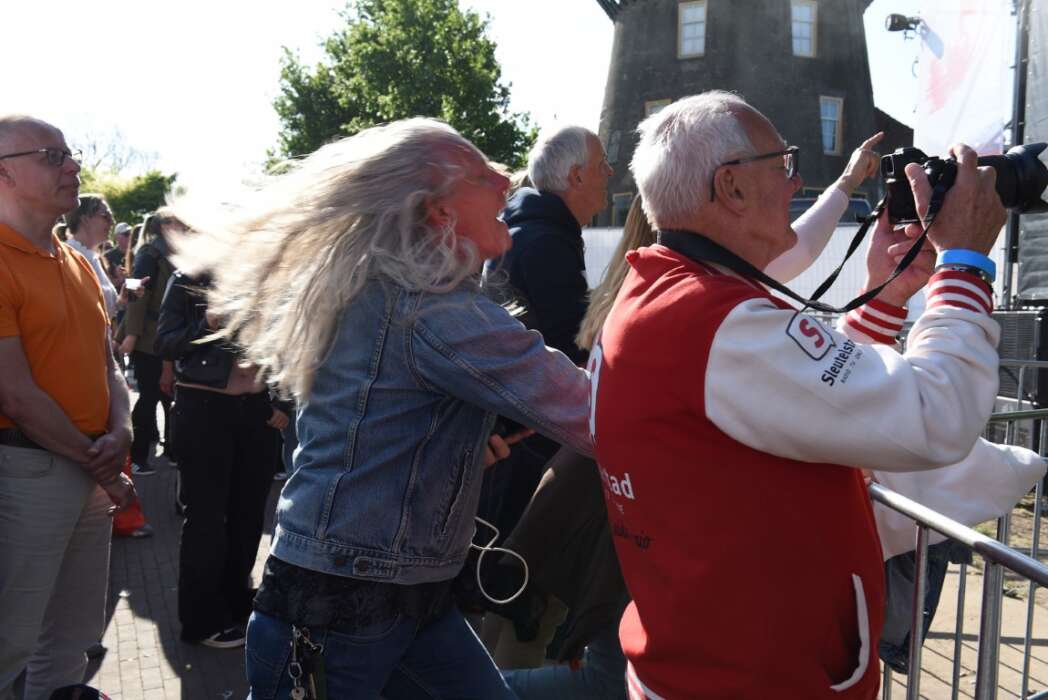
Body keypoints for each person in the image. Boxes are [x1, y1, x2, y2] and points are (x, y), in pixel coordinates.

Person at [590, 91, 1027, 699]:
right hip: (758, 681)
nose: (796, 182)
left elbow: (800, 391)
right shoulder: (711, 321)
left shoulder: (672, 295)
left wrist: (885, 296)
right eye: (784, 164)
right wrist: (966, 264)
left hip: (710, 662)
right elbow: (939, 415)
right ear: (732, 186)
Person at [169, 117, 591, 699]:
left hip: (386, 594)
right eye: (479, 173)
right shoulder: (433, 310)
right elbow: (597, 414)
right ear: (438, 214)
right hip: (346, 610)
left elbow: (369, 429)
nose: (504, 178)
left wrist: (455, 449)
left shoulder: (382, 292)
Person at [0, 114, 134, 699]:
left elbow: (108, 364)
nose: (74, 166)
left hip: (87, 466)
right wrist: (101, 461)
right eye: (51, 156)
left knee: (72, 639)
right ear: (3, 174)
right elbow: (15, 393)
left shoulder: (77, 260)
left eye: (69, 153)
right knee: (11, 641)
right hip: (28, 472)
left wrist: (122, 430)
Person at [155, 270, 287, 647]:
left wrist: (282, 402)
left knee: (248, 516)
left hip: (257, 412)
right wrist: (208, 321)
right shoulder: (188, 277)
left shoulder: (269, 273)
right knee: (207, 519)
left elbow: (291, 345)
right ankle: (201, 622)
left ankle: (236, 603)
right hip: (204, 409)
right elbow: (165, 343)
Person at [120, 209, 178, 475]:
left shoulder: (171, 252)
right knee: (149, 398)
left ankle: (172, 449)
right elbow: (135, 291)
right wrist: (131, 334)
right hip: (149, 339)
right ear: (166, 225)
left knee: (169, 397)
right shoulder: (150, 254)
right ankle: (137, 457)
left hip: (168, 337)